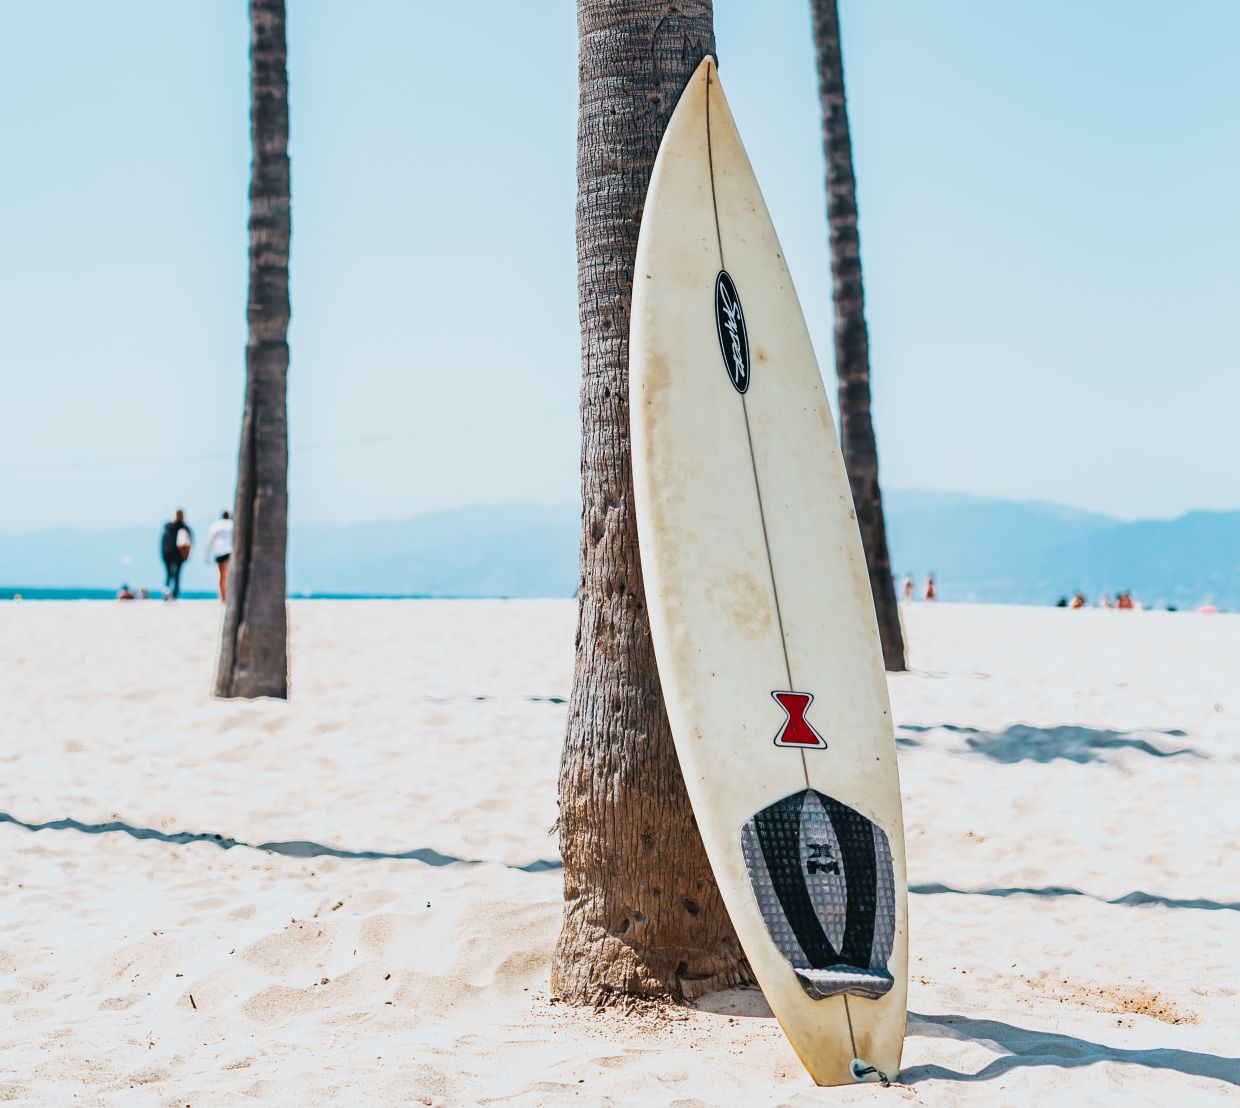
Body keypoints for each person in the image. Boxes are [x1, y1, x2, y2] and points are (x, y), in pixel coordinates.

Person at [160, 509, 193, 600]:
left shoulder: (168, 526)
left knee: (170, 574)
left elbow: (163, 541)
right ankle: (173, 594)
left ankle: (169, 593)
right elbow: (190, 541)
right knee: (175, 574)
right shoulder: (184, 527)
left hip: (170, 554)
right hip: (176, 554)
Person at [204, 510, 234, 603]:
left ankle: (223, 598)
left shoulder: (216, 525)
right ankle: (229, 597)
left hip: (219, 552)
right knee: (229, 575)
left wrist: (207, 555)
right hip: (230, 551)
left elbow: (209, 541)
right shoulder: (232, 524)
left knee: (221, 576)